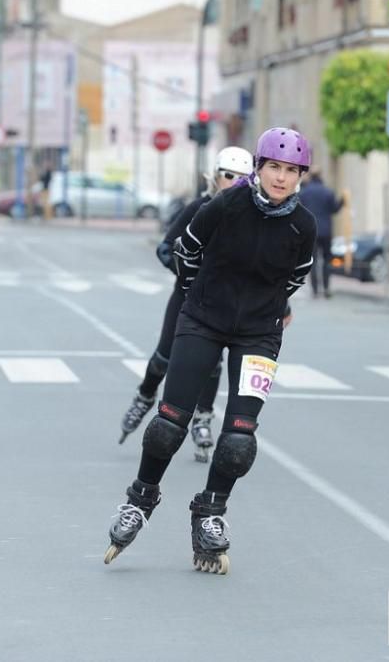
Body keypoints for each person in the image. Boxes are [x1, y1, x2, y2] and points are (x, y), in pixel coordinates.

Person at [104, 128, 316, 575]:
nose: (281, 178)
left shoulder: (303, 225)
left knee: (239, 440)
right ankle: (140, 498)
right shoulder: (224, 204)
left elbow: (295, 278)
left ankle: (211, 511)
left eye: (291, 171)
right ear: (258, 169)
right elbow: (188, 252)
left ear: (301, 176)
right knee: (169, 425)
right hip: (202, 320)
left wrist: (268, 307)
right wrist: (203, 298)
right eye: (274, 167)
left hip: (259, 334)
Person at [118, 146, 255, 463]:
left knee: (213, 363)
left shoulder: (253, 218)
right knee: (165, 357)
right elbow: (166, 247)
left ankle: (203, 419)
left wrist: (280, 304)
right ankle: (145, 394)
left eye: (243, 179)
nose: (234, 184)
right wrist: (185, 268)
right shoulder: (201, 208)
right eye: (228, 177)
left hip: (226, 304)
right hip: (188, 297)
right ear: (215, 178)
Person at [299, 169, 343, 299]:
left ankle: (315, 290)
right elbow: (335, 209)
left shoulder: (304, 193)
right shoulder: (328, 192)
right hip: (326, 231)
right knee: (327, 261)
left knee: (312, 261)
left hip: (311, 231)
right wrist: (342, 201)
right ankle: (326, 288)